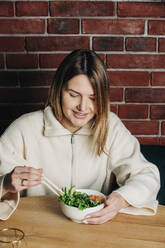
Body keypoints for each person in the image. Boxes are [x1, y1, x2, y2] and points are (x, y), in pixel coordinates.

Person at [0, 49, 160, 224]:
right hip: (35, 228)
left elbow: (147, 176)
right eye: (74, 95)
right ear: (58, 90)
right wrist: (6, 184)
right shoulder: (24, 128)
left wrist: (120, 199)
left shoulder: (110, 126)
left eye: (93, 98)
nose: (83, 108)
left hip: (92, 229)